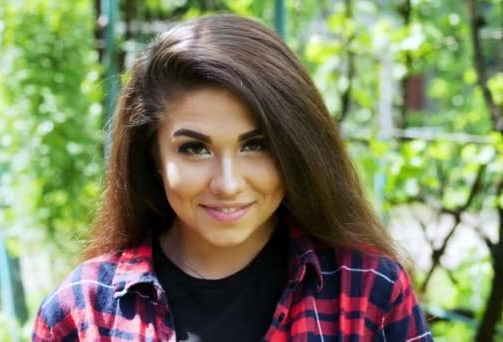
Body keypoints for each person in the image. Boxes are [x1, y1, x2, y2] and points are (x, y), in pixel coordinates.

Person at [32, 14, 432, 342]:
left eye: (255, 145)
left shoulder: (368, 293)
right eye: (194, 148)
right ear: (151, 154)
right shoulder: (82, 310)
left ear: (296, 149)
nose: (227, 183)